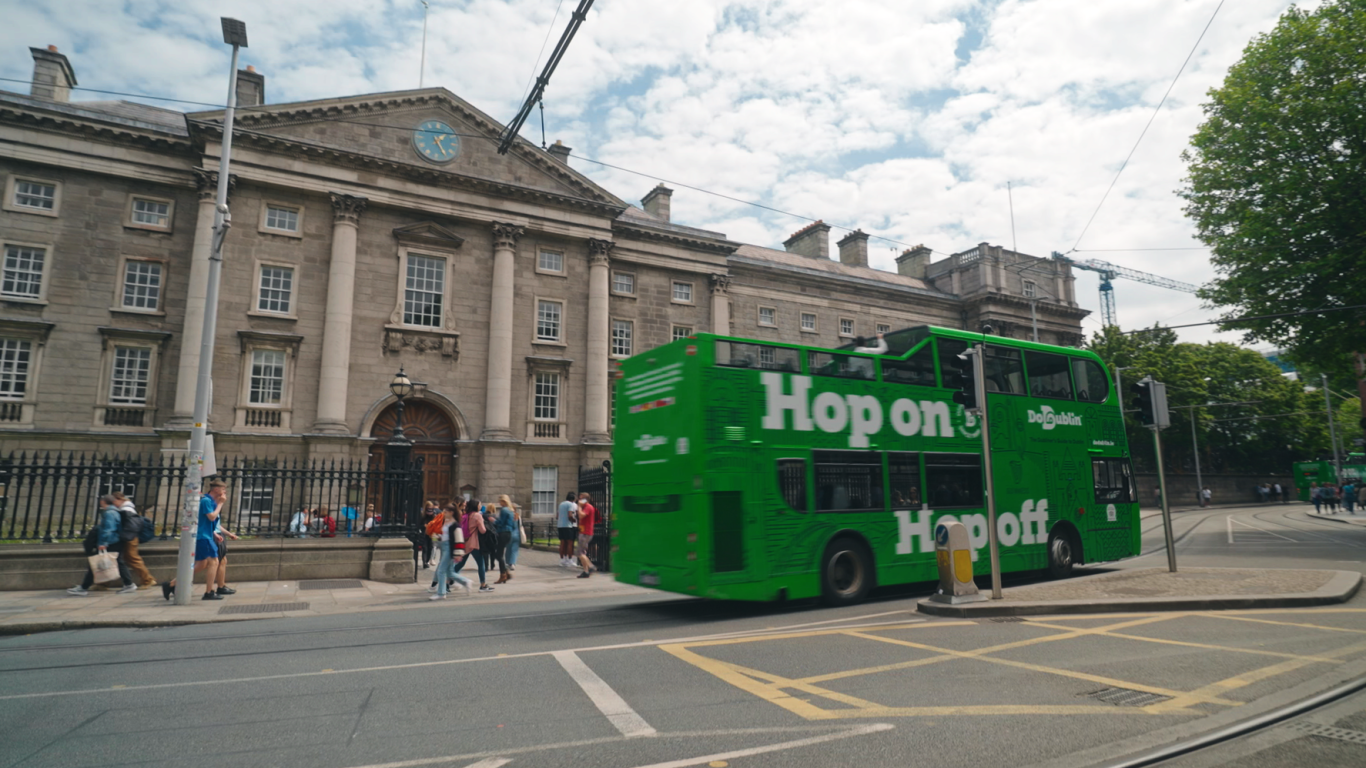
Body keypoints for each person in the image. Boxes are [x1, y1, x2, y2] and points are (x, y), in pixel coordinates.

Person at [162, 480, 226, 601]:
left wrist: (214, 533)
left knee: (202, 564)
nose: (224, 492)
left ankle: (171, 584)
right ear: (216, 489)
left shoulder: (208, 501)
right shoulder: (207, 501)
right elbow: (211, 517)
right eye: (223, 489)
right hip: (203, 537)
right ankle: (209, 592)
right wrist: (220, 504)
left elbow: (202, 520)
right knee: (214, 562)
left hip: (205, 535)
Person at [68, 495, 137, 595]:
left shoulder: (109, 513)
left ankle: (83, 588)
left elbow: (108, 529)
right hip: (115, 541)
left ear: (103, 502)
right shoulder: (114, 511)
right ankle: (129, 584)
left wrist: (103, 543)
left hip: (110, 542)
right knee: (118, 563)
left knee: (96, 564)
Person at [113, 493, 157, 588]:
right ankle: (103, 583)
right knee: (120, 558)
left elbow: (132, 526)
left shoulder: (126, 509)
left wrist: (125, 536)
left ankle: (148, 580)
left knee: (132, 558)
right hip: (129, 536)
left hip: (129, 537)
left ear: (119, 499)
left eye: (114, 501)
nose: (113, 503)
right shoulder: (126, 508)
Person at [429, 504, 471, 600]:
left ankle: (441, 593)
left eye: (445, 512)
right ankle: (466, 581)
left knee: (441, 570)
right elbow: (445, 536)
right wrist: (437, 538)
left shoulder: (455, 524)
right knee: (449, 572)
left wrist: (458, 553)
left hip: (449, 548)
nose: (443, 513)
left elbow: (459, 539)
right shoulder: (446, 522)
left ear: (451, 512)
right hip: (444, 546)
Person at [454, 499, 493, 592]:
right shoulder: (477, 515)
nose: (480, 506)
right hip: (474, 543)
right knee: (481, 564)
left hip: (465, 542)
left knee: (460, 564)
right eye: (479, 505)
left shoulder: (465, 515)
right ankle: (483, 585)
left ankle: (447, 580)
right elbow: (482, 530)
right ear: (476, 506)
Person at [492, 494, 516, 584]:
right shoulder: (511, 510)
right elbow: (513, 525)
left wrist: (493, 520)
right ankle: (506, 573)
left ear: (503, 501)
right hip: (509, 533)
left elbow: (500, 522)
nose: (499, 503)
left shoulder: (504, 510)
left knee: (498, 554)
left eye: (500, 501)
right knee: (499, 554)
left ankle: (503, 574)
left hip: (502, 533)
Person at [575, 492, 598, 579]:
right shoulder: (585, 507)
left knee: (579, 552)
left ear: (585, 499)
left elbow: (581, 516)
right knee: (583, 552)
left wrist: (579, 506)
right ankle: (586, 571)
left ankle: (591, 566)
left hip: (586, 533)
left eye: (581, 499)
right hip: (583, 532)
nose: (579, 500)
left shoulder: (588, 507)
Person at [213, 521, 239, 596]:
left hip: (217, 534)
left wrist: (229, 534)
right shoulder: (211, 509)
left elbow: (217, 525)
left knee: (222, 560)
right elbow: (208, 523)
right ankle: (211, 590)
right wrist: (215, 534)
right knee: (205, 563)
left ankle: (221, 586)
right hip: (212, 536)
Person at [557, 491, 578, 567]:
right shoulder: (571, 504)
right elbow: (570, 515)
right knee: (570, 543)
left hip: (560, 525)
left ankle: (562, 560)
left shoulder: (561, 504)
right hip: (568, 526)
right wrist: (574, 520)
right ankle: (569, 560)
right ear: (573, 499)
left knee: (562, 543)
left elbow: (557, 516)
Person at [418, 501, 439, 569]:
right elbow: (419, 524)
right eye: (428, 509)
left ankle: (429, 560)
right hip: (424, 533)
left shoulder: (434, 514)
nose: (430, 511)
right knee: (425, 548)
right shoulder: (423, 515)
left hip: (432, 534)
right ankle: (425, 562)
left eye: (431, 508)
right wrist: (424, 526)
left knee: (432, 547)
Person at [507, 503, 523, 571]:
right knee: (514, 550)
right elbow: (520, 525)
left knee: (508, 549)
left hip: (509, 534)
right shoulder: (518, 516)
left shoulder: (508, 516)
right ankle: (513, 563)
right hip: (516, 534)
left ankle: (508, 562)